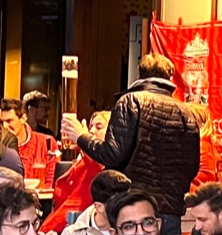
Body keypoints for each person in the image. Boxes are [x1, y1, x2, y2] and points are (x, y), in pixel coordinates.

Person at [65, 52, 206, 217]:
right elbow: (192, 167)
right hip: (170, 209)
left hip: (133, 207)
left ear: (141, 75)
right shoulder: (186, 112)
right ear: (170, 78)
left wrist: (81, 136)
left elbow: (112, 155)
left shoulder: (130, 101)